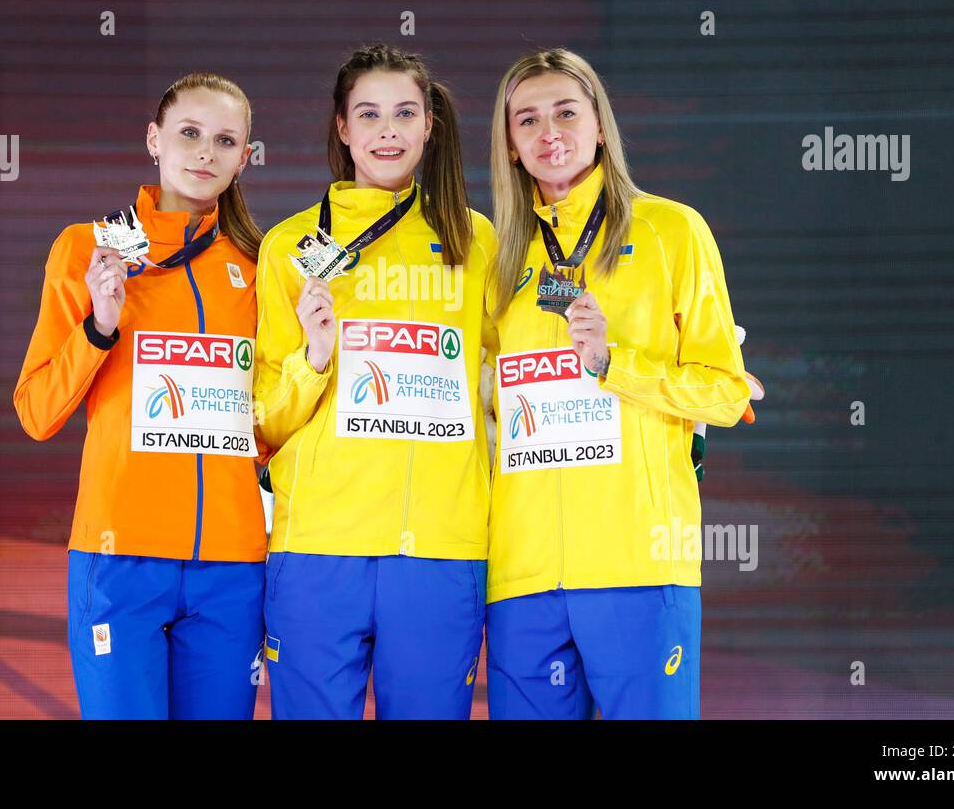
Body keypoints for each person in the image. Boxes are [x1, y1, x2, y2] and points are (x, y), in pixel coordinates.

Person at [483, 48, 752, 719]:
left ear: (601, 125)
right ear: (510, 146)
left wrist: (614, 364)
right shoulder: (496, 258)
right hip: (521, 577)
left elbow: (726, 392)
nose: (550, 134)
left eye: (567, 113)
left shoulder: (671, 230)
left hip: (638, 565)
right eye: (528, 121)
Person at [13, 72, 268, 719]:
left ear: (244, 157)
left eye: (224, 140)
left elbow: (270, 421)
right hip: (119, 555)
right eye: (189, 133)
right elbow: (38, 412)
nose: (205, 152)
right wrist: (100, 326)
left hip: (233, 565)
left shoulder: (265, 266)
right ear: (154, 140)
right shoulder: (87, 248)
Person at [253, 43, 496, 719]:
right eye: (369, 114)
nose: (387, 131)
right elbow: (264, 419)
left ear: (429, 126)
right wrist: (316, 359)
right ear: (342, 128)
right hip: (317, 547)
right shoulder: (290, 247)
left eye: (404, 114)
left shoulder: (477, 245)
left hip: (441, 547)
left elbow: (520, 381)